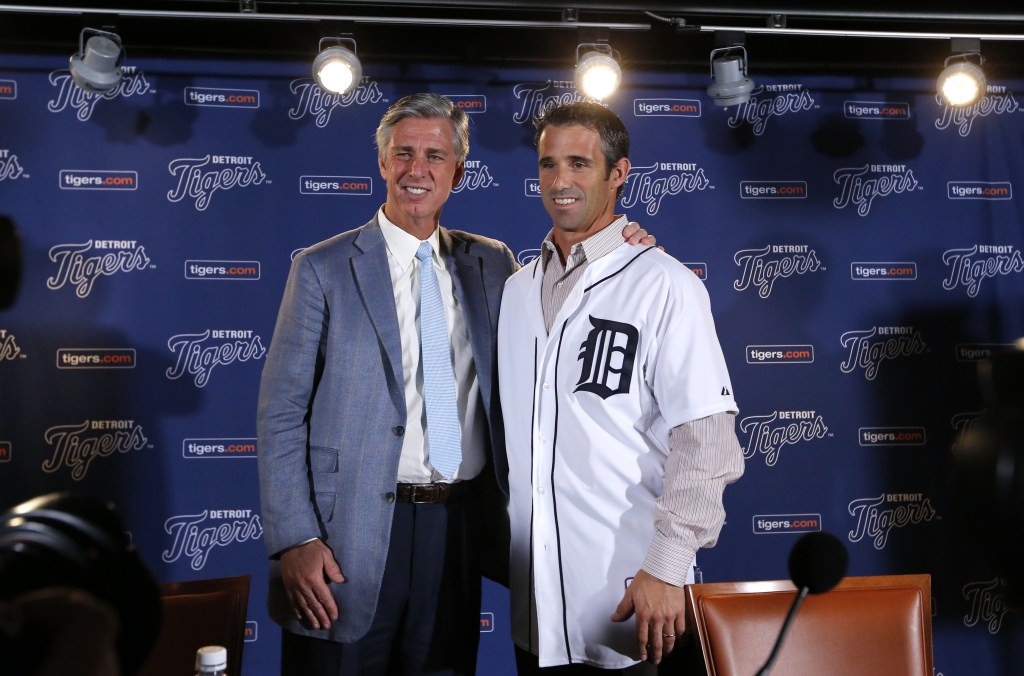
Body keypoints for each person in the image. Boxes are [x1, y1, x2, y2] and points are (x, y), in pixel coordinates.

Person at [256, 92, 653, 676]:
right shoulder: (322, 268)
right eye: (404, 153)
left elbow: (566, 286)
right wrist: (294, 539)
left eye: (435, 156)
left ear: (458, 172)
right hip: (348, 539)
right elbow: (281, 413)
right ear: (384, 164)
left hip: (458, 529)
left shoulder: (491, 265)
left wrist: (618, 245)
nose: (418, 169)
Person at [497, 101, 745, 674]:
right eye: (548, 164)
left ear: (619, 173)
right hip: (535, 606)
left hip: (633, 595)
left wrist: (666, 566)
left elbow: (705, 443)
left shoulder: (665, 284)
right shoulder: (515, 291)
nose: (561, 182)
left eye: (580, 164)